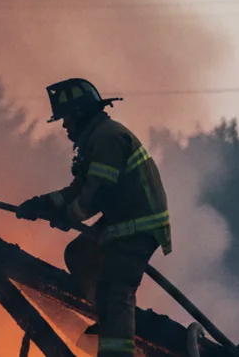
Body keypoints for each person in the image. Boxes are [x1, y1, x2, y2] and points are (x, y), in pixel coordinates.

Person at [17, 78, 171, 357]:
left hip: (137, 225)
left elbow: (97, 192)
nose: (64, 126)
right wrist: (42, 203)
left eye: (66, 119)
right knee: (78, 254)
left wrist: (69, 215)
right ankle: (106, 319)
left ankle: (117, 350)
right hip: (120, 221)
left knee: (117, 290)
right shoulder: (95, 139)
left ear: (79, 113)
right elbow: (79, 189)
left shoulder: (106, 138)